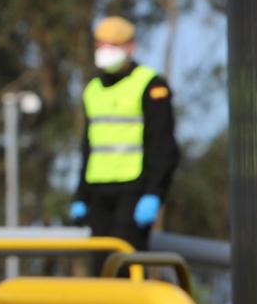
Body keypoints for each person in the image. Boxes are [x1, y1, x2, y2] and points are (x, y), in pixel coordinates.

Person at [70, 16, 179, 261]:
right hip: (99, 192)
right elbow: (88, 147)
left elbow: (162, 145)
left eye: (113, 45)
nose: (106, 52)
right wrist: (81, 196)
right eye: (101, 45)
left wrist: (154, 193)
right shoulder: (93, 89)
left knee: (124, 267)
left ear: (130, 47)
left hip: (134, 192)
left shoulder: (150, 86)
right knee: (101, 270)